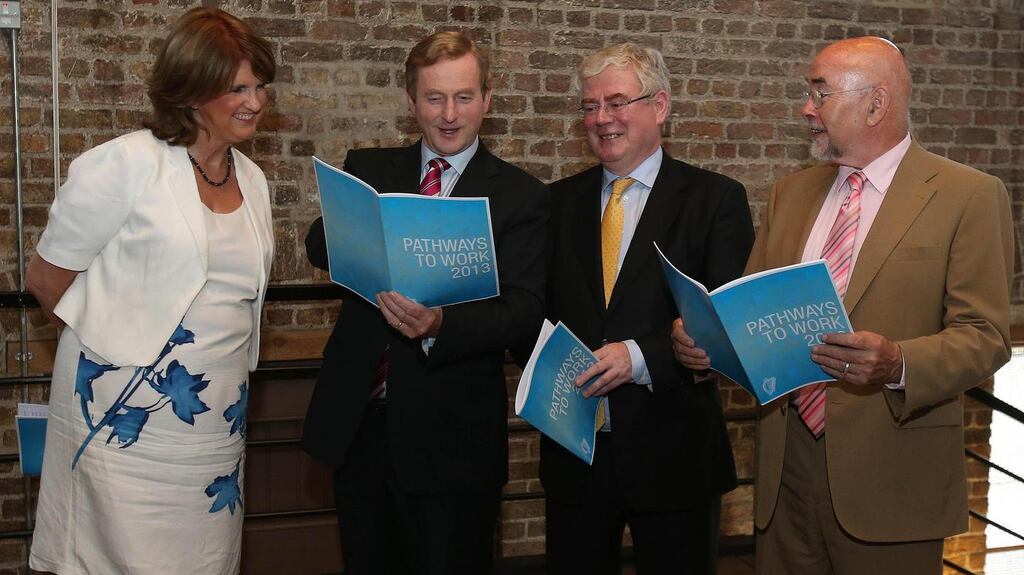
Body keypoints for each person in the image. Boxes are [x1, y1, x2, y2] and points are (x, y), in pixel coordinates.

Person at [672, 37, 1012, 574]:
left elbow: (985, 334)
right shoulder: (790, 194)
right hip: (786, 472)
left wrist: (898, 362)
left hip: (892, 476)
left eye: (820, 94)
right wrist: (705, 340)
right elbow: (753, 316)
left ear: (876, 105)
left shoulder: (968, 195)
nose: (807, 109)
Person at [26, 8, 275, 574]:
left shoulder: (254, 180)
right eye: (237, 87)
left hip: (214, 428)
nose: (255, 101)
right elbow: (46, 279)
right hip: (123, 424)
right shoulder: (124, 165)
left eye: (260, 86)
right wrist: (118, 346)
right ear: (191, 93)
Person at [302, 31, 549, 575]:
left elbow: (523, 310)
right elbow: (319, 245)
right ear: (411, 101)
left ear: (487, 99)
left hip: (452, 442)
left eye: (463, 97)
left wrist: (441, 322)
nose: (449, 114)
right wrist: (369, 228)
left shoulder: (520, 196)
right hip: (360, 429)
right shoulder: (369, 169)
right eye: (434, 98)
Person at [540, 43, 753, 575]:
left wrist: (639, 356)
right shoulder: (557, 203)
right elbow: (535, 312)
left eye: (616, 102)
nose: (601, 119)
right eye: (589, 107)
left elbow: (726, 320)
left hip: (674, 457)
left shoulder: (715, 200)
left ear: (659, 106)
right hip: (575, 456)